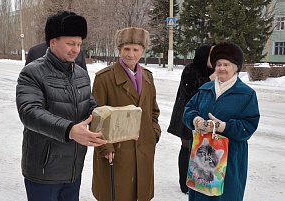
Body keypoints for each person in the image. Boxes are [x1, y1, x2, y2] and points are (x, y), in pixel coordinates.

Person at [15, 11, 107, 201]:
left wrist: (114, 122)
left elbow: (89, 105)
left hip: (73, 168)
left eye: (79, 44)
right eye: (70, 44)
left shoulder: (81, 74)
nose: (76, 50)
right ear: (53, 42)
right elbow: (30, 112)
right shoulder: (32, 73)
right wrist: (70, 130)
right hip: (44, 170)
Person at [182, 42, 260, 201]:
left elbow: (249, 125)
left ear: (236, 67)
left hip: (230, 156)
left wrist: (223, 126)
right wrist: (196, 121)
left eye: (226, 64)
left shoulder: (246, 94)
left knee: (225, 196)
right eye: (218, 64)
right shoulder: (205, 89)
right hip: (201, 157)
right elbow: (188, 110)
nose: (222, 68)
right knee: (201, 193)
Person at [91, 27, 161, 201]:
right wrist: (105, 147)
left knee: (140, 194)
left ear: (143, 51)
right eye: (126, 49)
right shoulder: (105, 78)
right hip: (115, 150)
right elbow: (95, 117)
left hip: (143, 147)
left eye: (136, 49)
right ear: (119, 50)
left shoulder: (147, 76)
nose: (131, 54)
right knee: (117, 194)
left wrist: (154, 133)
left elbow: (153, 110)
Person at [167, 43, 216, 194]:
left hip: (205, 118)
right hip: (187, 115)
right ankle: (184, 183)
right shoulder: (191, 69)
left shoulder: (215, 70)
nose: (213, 59)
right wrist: (208, 79)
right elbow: (190, 89)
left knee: (203, 149)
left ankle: (200, 180)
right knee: (187, 147)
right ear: (203, 55)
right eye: (210, 55)